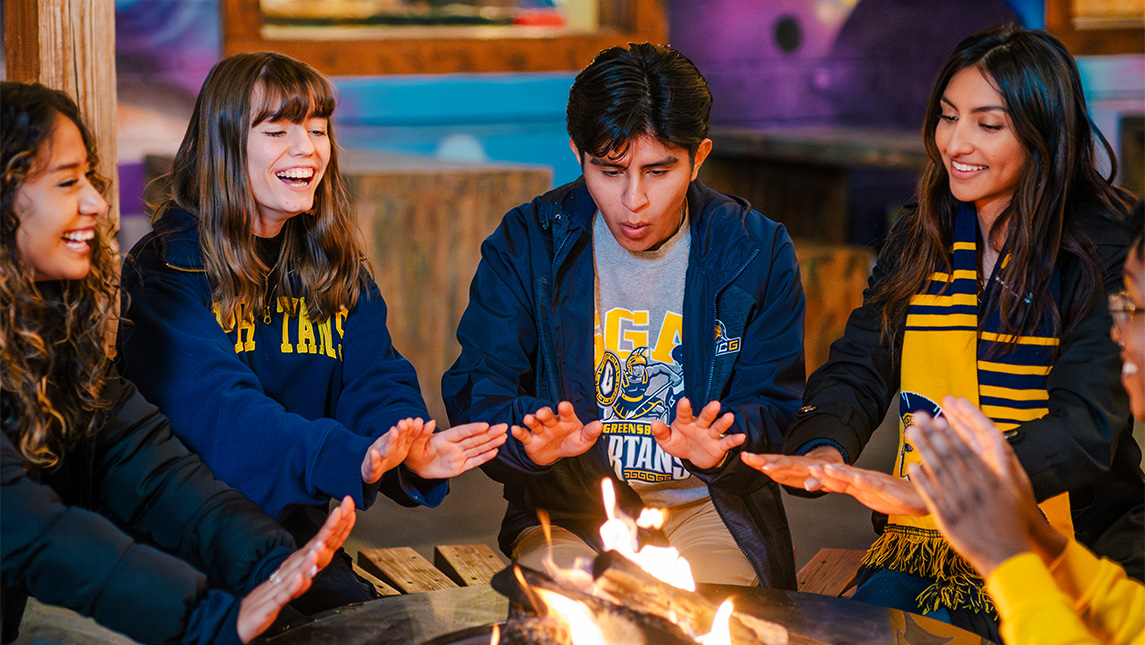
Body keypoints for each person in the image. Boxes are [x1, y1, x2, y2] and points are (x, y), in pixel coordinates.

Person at [741, 25, 1143, 638]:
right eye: (948, 117)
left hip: (1074, 538)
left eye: (989, 124)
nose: (956, 142)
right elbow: (862, 360)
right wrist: (824, 449)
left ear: (1044, 133)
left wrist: (941, 493)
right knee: (855, 627)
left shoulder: (1105, 246)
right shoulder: (923, 231)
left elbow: (1086, 426)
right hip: (924, 547)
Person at [116, 52, 507, 614]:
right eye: (278, 131)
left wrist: (405, 445)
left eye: (318, 130)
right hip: (179, 545)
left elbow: (375, 376)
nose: (308, 149)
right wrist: (353, 456)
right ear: (223, 146)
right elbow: (225, 418)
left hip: (293, 538)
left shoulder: (331, 264)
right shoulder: (166, 271)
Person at [0, 81, 355, 645]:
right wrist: (200, 618)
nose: (96, 201)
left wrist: (271, 562)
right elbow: (23, 527)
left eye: (90, 178)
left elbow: (142, 463)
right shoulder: (172, 263)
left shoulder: (48, 330)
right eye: (68, 183)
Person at [442, 43, 805, 588]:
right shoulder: (528, 243)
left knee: (705, 618)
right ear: (578, 153)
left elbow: (774, 404)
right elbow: (478, 389)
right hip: (571, 513)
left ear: (699, 156)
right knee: (586, 610)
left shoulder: (754, 248)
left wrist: (724, 445)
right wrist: (528, 442)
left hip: (709, 506)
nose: (634, 200)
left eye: (659, 171)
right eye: (609, 171)